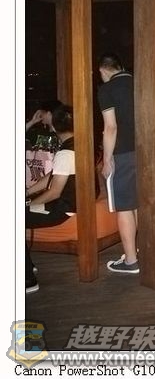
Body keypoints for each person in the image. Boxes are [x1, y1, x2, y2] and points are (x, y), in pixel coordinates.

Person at [25, 104, 76, 293]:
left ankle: (28, 279)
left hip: (62, 208)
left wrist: (28, 203)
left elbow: (54, 192)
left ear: (54, 125)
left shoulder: (65, 153)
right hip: (68, 203)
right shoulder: (76, 144)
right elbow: (52, 175)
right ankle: (28, 265)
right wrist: (27, 193)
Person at [97, 53, 139, 274]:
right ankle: (139, 251)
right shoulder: (139, 82)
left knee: (124, 207)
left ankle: (131, 261)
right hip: (147, 152)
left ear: (103, 70)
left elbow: (111, 127)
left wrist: (106, 159)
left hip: (123, 154)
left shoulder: (107, 89)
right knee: (138, 203)